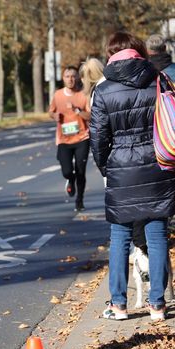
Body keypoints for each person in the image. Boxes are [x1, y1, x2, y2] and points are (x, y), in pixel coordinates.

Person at [90, 31, 175, 322]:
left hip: (120, 169)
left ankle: (118, 305)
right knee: (156, 234)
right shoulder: (159, 80)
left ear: (111, 55)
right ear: (140, 52)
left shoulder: (103, 90)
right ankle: (157, 304)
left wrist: (108, 168)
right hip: (158, 165)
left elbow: (98, 139)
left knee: (120, 236)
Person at [48, 65, 91, 212]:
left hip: (82, 138)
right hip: (64, 139)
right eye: (67, 76)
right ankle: (70, 179)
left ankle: (80, 200)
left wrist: (78, 111)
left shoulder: (83, 95)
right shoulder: (58, 95)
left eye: (73, 76)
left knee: (81, 170)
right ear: (63, 78)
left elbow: (90, 116)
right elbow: (51, 111)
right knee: (67, 171)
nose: (70, 79)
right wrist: (55, 116)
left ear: (77, 78)